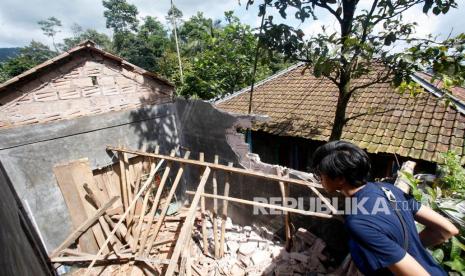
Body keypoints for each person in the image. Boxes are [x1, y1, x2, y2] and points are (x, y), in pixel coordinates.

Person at [311, 141, 458, 276]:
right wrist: (403, 252)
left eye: (320, 175)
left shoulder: (358, 222)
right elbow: (447, 229)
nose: (320, 179)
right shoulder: (388, 189)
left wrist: (398, 254)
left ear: (340, 179)